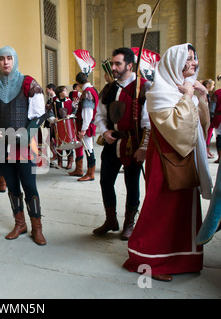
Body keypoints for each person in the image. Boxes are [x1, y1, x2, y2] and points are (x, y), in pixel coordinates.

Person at [123, 44, 212, 282]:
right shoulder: (159, 92)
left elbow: (202, 126)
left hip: (186, 159)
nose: (194, 64)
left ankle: (184, 259)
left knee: (184, 209)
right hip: (165, 160)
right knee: (162, 210)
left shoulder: (186, 88)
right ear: (175, 62)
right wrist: (189, 96)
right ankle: (151, 260)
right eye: (189, 60)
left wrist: (201, 96)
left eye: (195, 59)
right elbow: (178, 128)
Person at [0, 46, 47, 246]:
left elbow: (39, 114)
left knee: (29, 185)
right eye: (2, 58)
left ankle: (37, 227)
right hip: (2, 145)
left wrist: (26, 135)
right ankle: (20, 223)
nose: (5, 62)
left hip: (23, 146)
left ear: (15, 60)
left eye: (9, 58)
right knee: (12, 186)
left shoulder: (28, 82)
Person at [93, 47, 151, 241]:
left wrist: (143, 148)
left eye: (118, 63)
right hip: (111, 143)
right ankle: (111, 220)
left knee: (131, 184)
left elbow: (148, 121)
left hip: (132, 144)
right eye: (112, 63)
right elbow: (99, 115)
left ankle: (129, 224)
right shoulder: (109, 89)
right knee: (105, 181)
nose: (114, 67)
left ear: (129, 65)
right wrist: (104, 131)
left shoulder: (143, 87)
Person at [68, 72, 98, 181]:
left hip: (86, 125)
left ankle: (90, 173)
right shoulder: (92, 90)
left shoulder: (87, 93)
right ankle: (79, 170)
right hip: (87, 125)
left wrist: (84, 129)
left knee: (88, 148)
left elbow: (87, 112)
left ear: (78, 83)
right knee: (86, 147)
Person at [47, 85, 75, 169]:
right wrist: (53, 119)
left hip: (68, 125)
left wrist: (70, 116)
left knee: (68, 143)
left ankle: (69, 161)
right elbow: (50, 112)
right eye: (65, 91)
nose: (66, 92)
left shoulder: (70, 102)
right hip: (57, 125)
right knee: (59, 142)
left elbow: (75, 111)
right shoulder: (54, 102)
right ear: (60, 93)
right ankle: (60, 161)